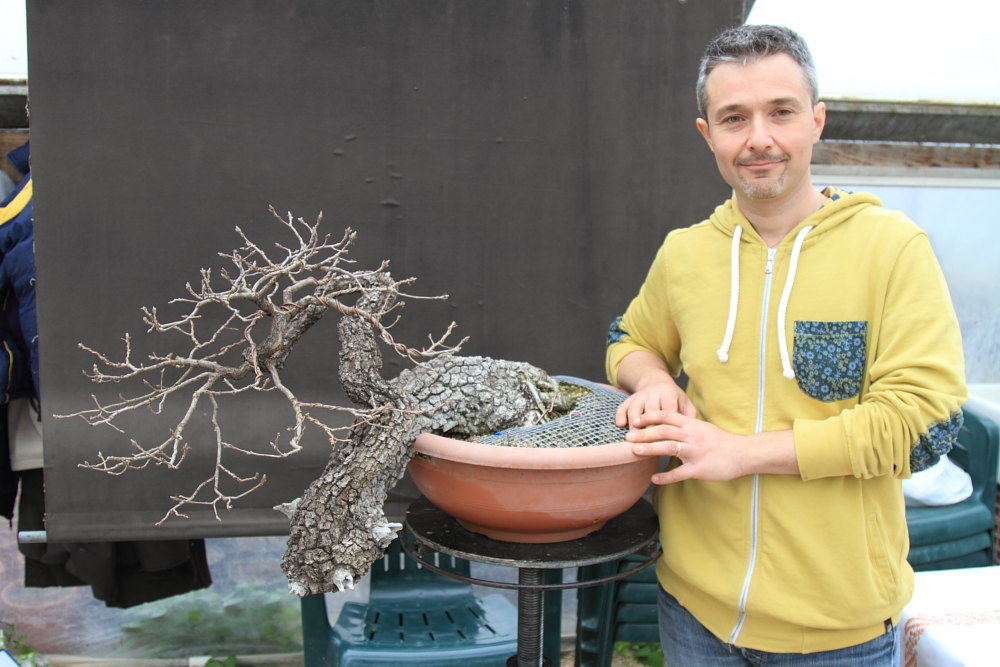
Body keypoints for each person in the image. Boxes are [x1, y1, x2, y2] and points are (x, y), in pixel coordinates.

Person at [605, 24, 966, 665]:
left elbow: (922, 426)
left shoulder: (891, 249)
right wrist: (653, 379)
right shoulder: (685, 253)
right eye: (734, 118)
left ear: (816, 121)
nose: (759, 138)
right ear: (707, 134)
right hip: (692, 610)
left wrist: (742, 453)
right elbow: (629, 338)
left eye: (781, 112)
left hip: (839, 630)